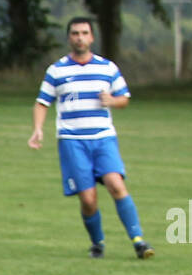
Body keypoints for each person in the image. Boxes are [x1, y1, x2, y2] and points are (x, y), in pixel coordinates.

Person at [28, 16, 152, 259]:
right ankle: (98, 243)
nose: (80, 38)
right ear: (69, 38)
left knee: (117, 185)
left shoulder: (107, 68)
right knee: (88, 199)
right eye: (75, 33)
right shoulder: (57, 70)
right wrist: (38, 129)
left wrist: (113, 101)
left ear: (92, 37)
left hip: (104, 139)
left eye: (84, 33)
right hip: (72, 141)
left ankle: (139, 241)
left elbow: (124, 98)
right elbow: (42, 102)